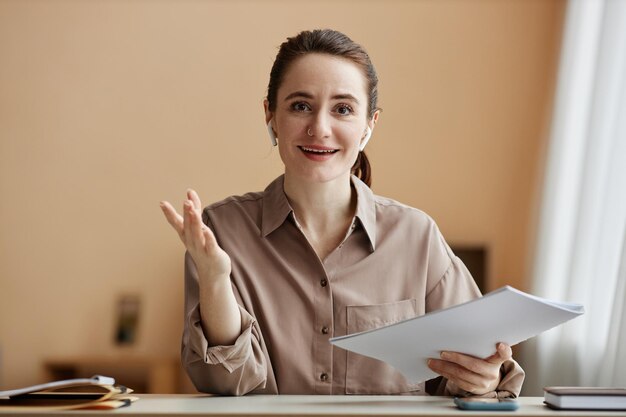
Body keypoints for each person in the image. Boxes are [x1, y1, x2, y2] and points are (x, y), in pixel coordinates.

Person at [160, 29, 525, 396]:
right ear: (270, 115)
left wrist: (485, 380)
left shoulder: (417, 236)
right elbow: (224, 383)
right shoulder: (221, 231)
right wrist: (215, 279)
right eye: (300, 106)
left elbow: (482, 368)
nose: (319, 128)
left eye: (343, 109)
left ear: (369, 125)